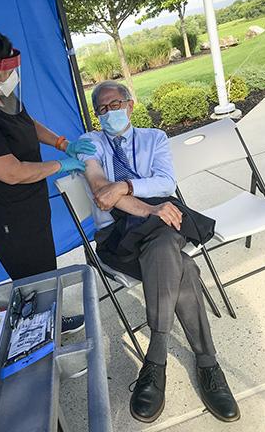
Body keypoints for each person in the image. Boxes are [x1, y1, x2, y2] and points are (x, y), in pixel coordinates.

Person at [77, 80, 240, 423]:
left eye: (115, 104)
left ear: (130, 105)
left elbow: (165, 182)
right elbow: (100, 193)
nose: (110, 113)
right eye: (102, 109)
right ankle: (207, 363)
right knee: (183, 266)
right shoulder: (90, 144)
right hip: (116, 237)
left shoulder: (154, 138)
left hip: (163, 224)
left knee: (165, 241)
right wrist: (146, 207)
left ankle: (155, 361)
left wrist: (123, 185)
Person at [0, 27, 95, 334]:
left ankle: (49, 321)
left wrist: (63, 143)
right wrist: (60, 165)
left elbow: (25, 121)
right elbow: (12, 172)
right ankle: (38, 337)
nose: (11, 77)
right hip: (6, 216)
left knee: (44, 270)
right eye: (4, 71)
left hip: (30, 203)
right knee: (32, 278)